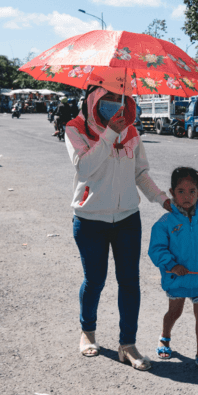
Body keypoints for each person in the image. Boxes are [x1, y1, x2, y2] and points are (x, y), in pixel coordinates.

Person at [66, 85, 171, 371]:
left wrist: (163, 200)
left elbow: (140, 173)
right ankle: (87, 331)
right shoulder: (75, 128)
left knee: (130, 283)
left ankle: (128, 344)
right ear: (94, 100)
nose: (114, 103)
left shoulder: (133, 132)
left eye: (119, 98)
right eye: (107, 98)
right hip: (90, 220)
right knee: (95, 281)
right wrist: (110, 132)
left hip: (127, 219)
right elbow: (84, 169)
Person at [149, 167, 198, 372]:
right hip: (177, 279)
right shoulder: (165, 223)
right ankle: (165, 338)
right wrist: (172, 265)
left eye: (192, 191)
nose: (187, 196)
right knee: (175, 311)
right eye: (181, 191)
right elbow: (156, 249)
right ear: (172, 193)